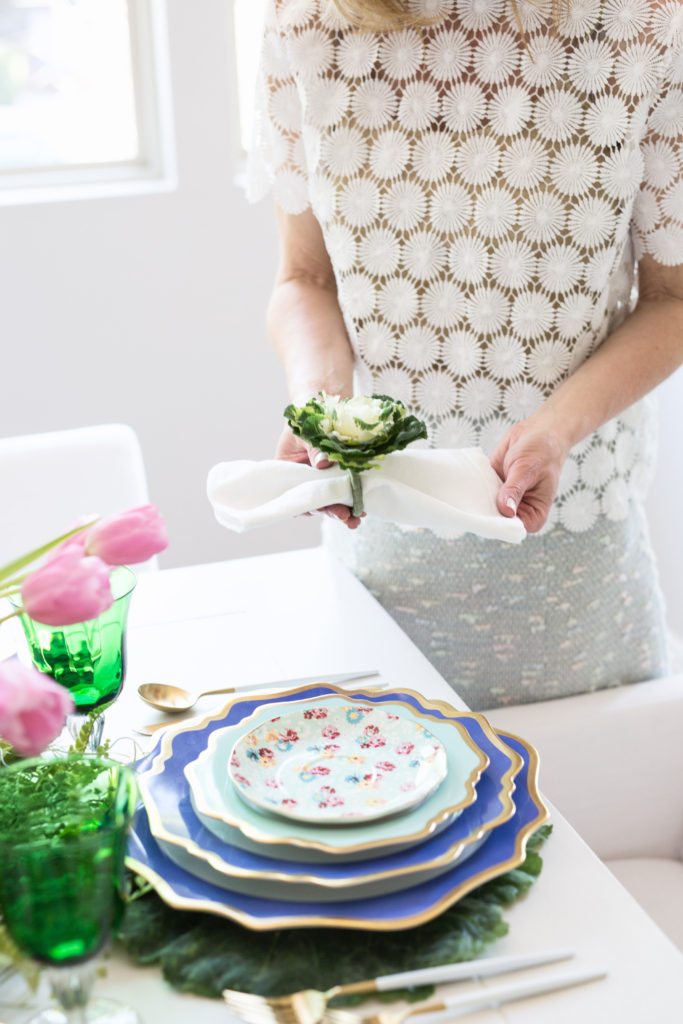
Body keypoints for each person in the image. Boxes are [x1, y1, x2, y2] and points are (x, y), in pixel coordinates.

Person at [247, 0, 683, 708]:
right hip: (377, 573)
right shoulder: (306, 19)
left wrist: (555, 429)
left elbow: (672, 299)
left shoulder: (644, 22)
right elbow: (304, 278)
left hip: (570, 595)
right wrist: (321, 400)